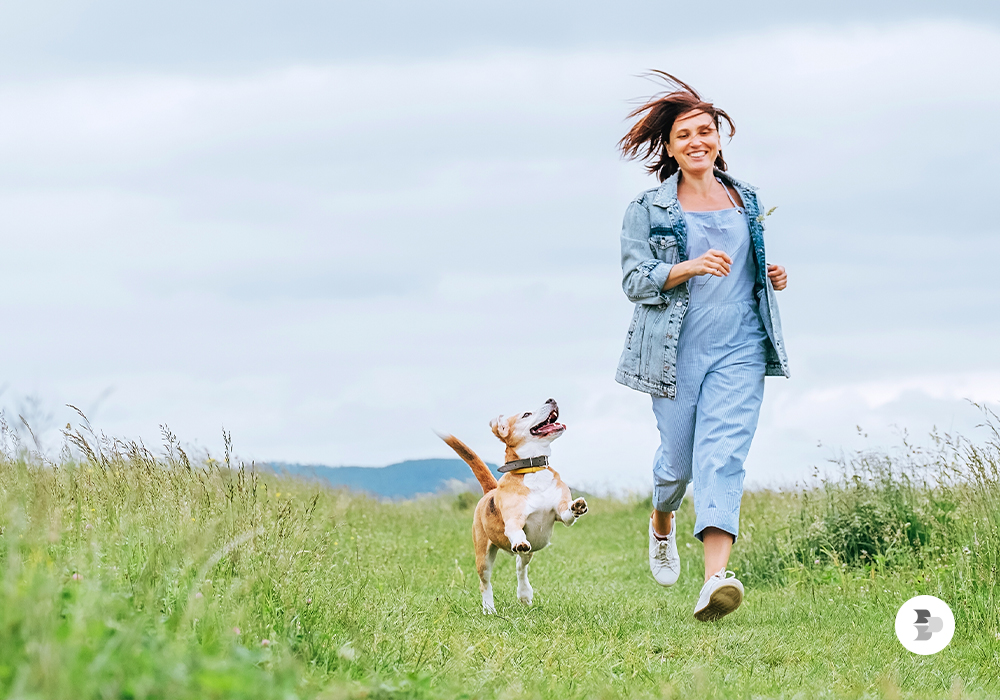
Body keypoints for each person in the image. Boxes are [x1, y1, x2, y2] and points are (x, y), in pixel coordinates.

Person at [615, 72, 789, 621]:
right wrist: (687, 267)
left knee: (724, 457)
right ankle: (661, 519)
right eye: (685, 135)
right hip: (674, 351)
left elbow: (748, 268)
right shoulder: (648, 208)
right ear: (669, 147)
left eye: (705, 131)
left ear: (719, 138)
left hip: (740, 347)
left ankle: (716, 579)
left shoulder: (747, 198)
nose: (697, 141)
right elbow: (634, 282)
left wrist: (772, 273)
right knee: (677, 465)